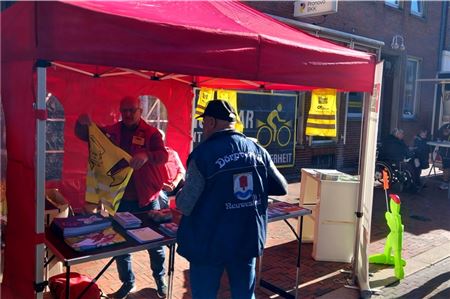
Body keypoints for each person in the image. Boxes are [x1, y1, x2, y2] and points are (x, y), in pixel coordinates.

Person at [175, 100, 288, 299]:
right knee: (244, 294)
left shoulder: (203, 155)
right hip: (246, 237)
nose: (203, 127)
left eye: (203, 123)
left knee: (204, 295)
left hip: (209, 242)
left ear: (210, 122)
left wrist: (180, 193)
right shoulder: (257, 150)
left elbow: (185, 204)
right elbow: (281, 187)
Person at [75, 96, 168, 299]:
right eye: (124, 110)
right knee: (120, 244)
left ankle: (161, 280)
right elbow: (90, 135)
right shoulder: (113, 131)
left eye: (132, 110)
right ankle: (127, 283)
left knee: (155, 245)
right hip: (119, 199)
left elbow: (163, 156)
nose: (127, 114)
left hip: (146, 198)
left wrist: (146, 155)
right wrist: (82, 124)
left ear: (140, 111)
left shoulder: (151, 133)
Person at [158, 129, 186, 208]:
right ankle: (164, 215)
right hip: (160, 188)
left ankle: (183, 214)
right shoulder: (150, 155)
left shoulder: (172, 152)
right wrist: (163, 186)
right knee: (159, 195)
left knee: (190, 189)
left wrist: (174, 183)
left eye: (161, 139)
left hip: (175, 185)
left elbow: (181, 171)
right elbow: (149, 177)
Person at [437, 118, 450, 189]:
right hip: (446, 152)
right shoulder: (444, 127)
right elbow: (438, 136)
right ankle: (445, 183)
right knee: (446, 168)